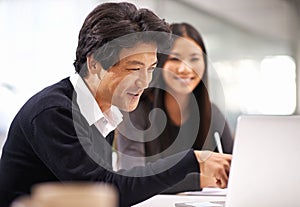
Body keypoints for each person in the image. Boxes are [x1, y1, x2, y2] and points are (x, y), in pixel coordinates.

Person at [0, 3, 231, 207]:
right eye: (133, 68)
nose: (145, 82)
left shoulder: (105, 112)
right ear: (94, 63)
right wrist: (191, 161)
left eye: (150, 69)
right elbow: (103, 191)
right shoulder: (54, 112)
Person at [116, 22, 234, 192]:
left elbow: (236, 169)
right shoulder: (136, 110)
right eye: (174, 59)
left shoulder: (212, 112)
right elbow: (131, 177)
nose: (184, 69)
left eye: (194, 58)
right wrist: (201, 180)